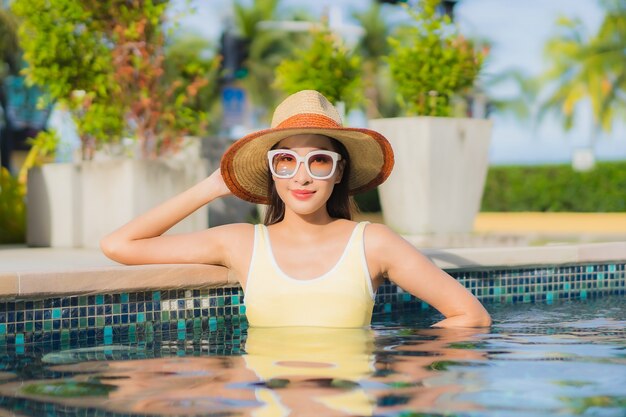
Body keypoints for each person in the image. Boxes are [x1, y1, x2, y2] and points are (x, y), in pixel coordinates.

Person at [101, 90, 491, 329]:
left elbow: (470, 316)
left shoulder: (373, 243)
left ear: (338, 173)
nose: (301, 177)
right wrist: (213, 185)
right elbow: (120, 245)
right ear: (272, 171)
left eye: (318, 161)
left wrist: (403, 368)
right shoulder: (240, 243)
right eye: (285, 161)